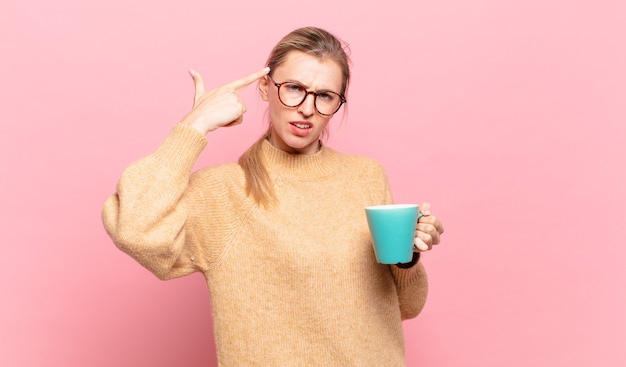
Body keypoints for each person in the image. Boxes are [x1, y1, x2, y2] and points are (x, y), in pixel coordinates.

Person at [102, 26, 445, 366]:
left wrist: (408, 258)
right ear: (265, 88)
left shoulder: (366, 176)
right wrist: (195, 125)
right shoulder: (225, 191)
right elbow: (134, 227)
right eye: (293, 88)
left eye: (325, 95)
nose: (307, 108)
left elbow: (405, 306)